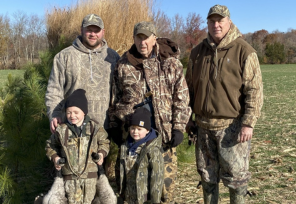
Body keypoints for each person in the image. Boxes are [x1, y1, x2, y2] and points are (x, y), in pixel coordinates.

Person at [185, 4, 263, 204]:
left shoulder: (244, 51)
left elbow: (254, 91)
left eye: (220, 20)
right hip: (203, 127)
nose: (216, 25)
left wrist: (248, 123)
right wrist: (188, 119)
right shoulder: (197, 53)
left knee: (236, 180)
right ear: (208, 23)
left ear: (229, 22)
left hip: (232, 127)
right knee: (207, 178)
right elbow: (189, 89)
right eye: (212, 21)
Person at [108, 21, 191, 203]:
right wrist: (114, 125)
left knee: (163, 191)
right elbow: (114, 100)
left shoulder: (170, 63)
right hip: (132, 138)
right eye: (139, 38)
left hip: (163, 136)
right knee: (131, 189)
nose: (142, 42)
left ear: (155, 38)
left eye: (146, 38)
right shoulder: (123, 65)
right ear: (134, 39)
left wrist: (178, 128)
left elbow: (182, 98)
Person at [45, 14, 120, 133]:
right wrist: (55, 114)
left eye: (97, 31)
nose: (93, 34)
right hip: (72, 128)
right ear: (81, 30)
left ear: (103, 32)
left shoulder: (113, 57)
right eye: (89, 30)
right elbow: (54, 89)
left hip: (104, 129)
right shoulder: (64, 56)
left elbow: (119, 92)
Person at [45, 89, 110, 204]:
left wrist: (101, 154)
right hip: (69, 179)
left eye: (76, 112)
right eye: (69, 112)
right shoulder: (62, 130)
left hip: (91, 178)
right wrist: (55, 158)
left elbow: (104, 142)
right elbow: (50, 146)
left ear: (84, 112)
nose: (72, 116)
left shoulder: (95, 128)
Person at [119, 107, 164, 204]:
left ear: (147, 130)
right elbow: (119, 170)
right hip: (129, 195)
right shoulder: (125, 147)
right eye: (132, 128)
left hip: (144, 198)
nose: (135, 132)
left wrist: (155, 200)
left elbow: (157, 177)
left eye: (139, 129)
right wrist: (120, 192)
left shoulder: (153, 150)